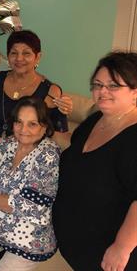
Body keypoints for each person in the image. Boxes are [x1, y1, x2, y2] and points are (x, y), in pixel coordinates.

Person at [53, 51, 137, 270]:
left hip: (109, 254)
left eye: (113, 85)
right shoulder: (96, 119)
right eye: (98, 85)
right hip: (78, 246)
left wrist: (122, 247)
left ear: (135, 91)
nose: (102, 91)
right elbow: (76, 148)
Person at [0, 97, 60, 270]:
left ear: (44, 127)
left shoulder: (49, 155)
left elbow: (29, 206)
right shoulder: (6, 145)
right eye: (18, 122)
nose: (23, 130)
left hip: (28, 237)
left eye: (32, 124)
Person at [0, 30, 71, 183]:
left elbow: (58, 135)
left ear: (38, 57)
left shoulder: (50, 92)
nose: (19, 58)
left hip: (24, 169)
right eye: (14, 53)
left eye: (26, 53)